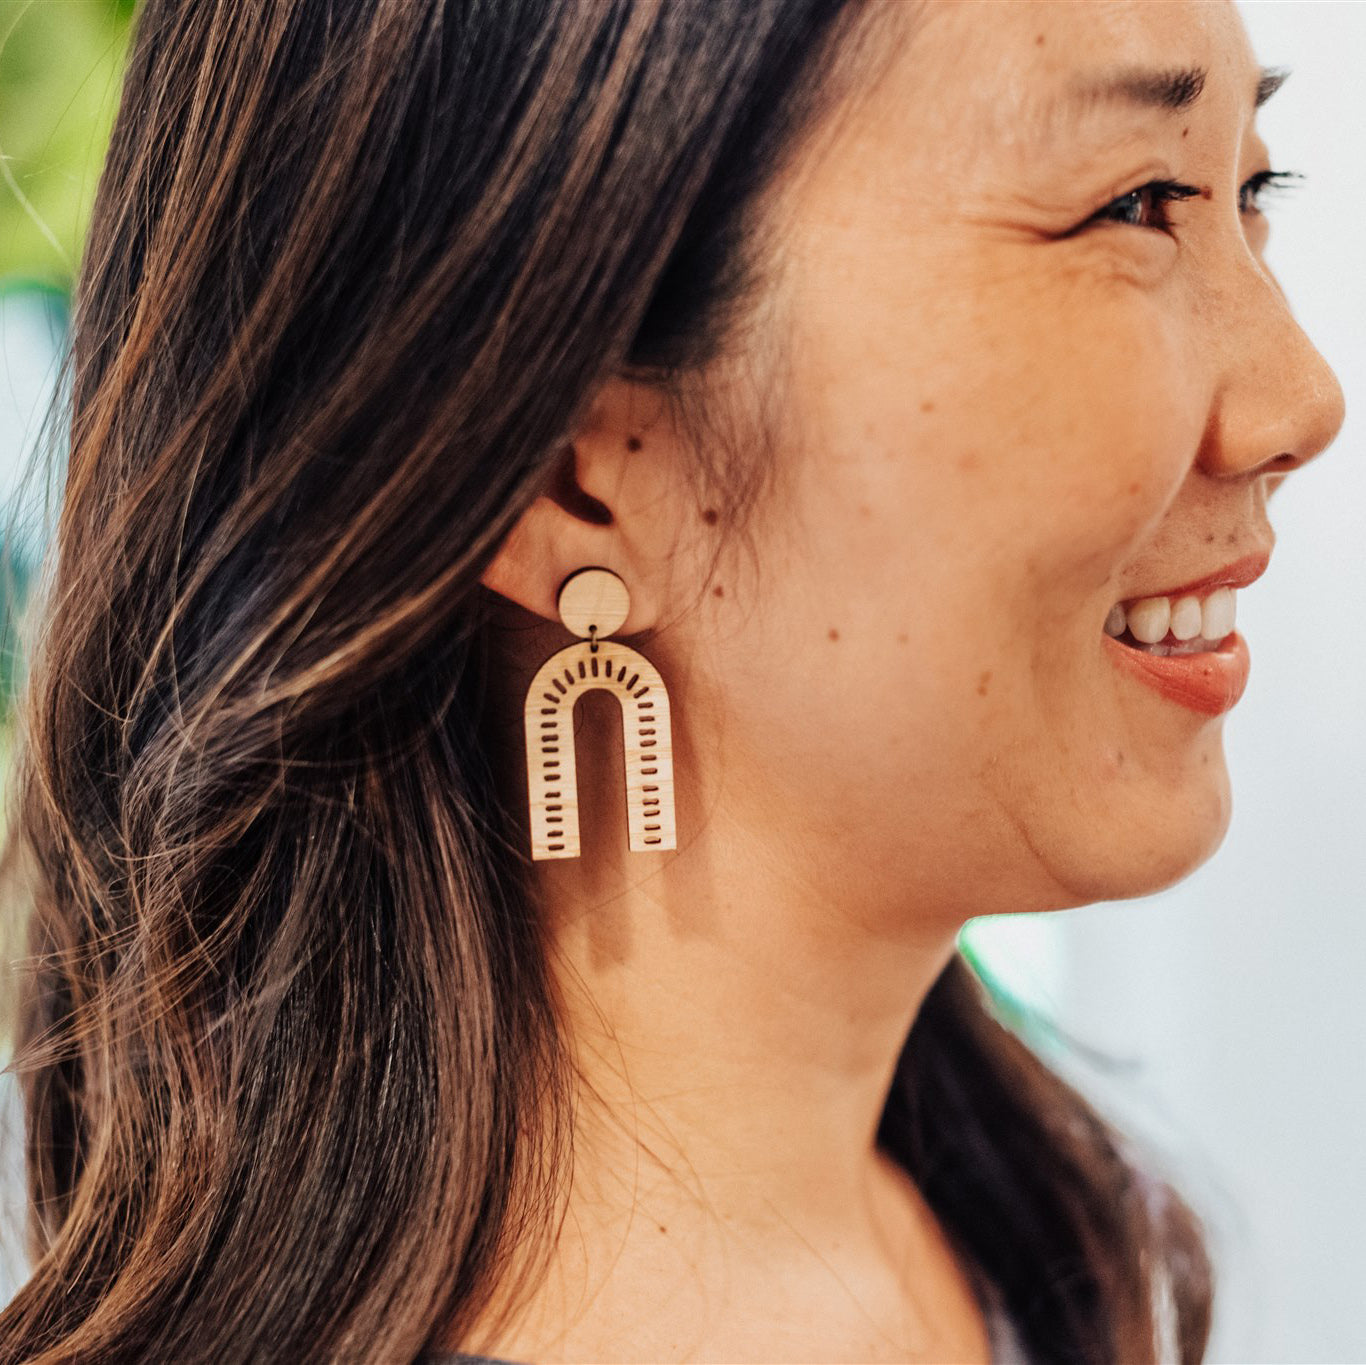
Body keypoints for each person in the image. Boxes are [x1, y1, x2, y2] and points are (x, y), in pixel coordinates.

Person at [0, 0, 1345, 1361]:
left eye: (1250, 188)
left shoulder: (1036, 1245)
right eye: (1132, 203)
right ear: (572, 477)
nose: (1301, 399)